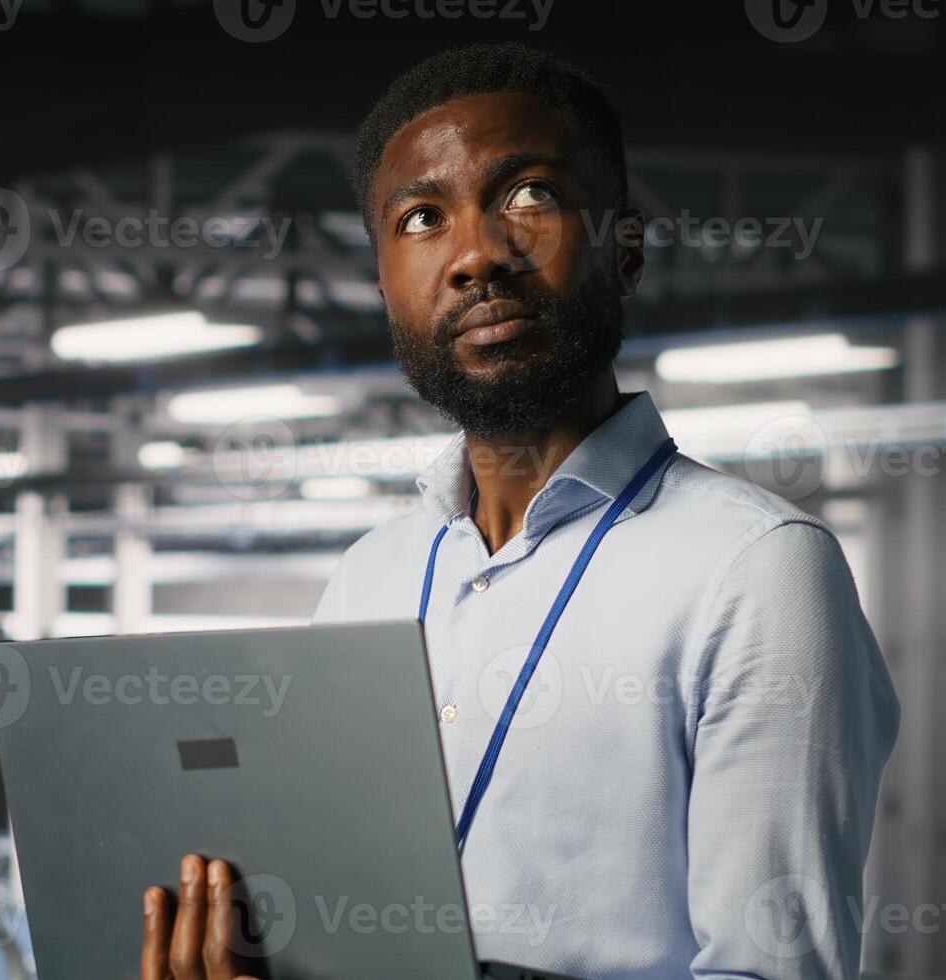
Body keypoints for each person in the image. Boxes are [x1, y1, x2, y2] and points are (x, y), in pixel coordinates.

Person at [138, 42, 900, 980]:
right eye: (422, 217)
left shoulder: (757, 571)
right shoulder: (370, 573)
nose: (475, 256)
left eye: (529, 196)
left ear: (624, 248)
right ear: (387, 288)